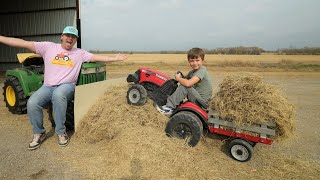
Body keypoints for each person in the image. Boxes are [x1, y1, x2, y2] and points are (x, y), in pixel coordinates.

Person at [0, 26, 128, 150]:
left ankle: (61, 132)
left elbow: (97, 57)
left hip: (67, 86)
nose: (70, 38)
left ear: (75, 40)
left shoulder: (79, 53)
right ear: (62, 36)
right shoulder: (48, 47)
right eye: (68, 35)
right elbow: (23, 43)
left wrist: (115, 58)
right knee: (33, 102)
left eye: (73, 36)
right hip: (48, 86)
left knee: (59, 95)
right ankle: (39, 132)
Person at [156, 47, 213, 115]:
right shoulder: (192, 72)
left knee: (185, 87)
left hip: (203, 103)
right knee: (183, 84)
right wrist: (181, 76)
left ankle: (169, 107)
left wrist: (178, 79)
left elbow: (188, 83)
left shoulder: (202, 70)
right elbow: (186, 78)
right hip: (197, 98)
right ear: (189, 61)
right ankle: (173, 105)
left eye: (197, 60)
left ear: (202, 61)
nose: (195, 63)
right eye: (192, 61)